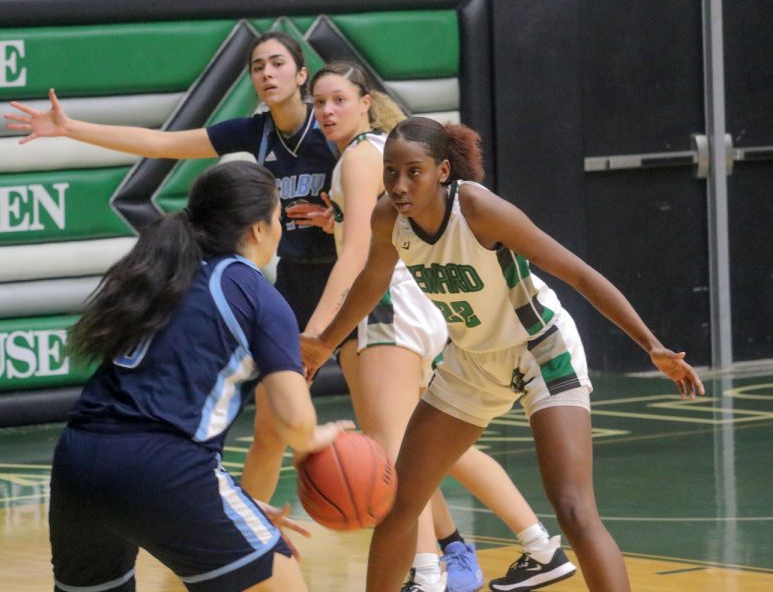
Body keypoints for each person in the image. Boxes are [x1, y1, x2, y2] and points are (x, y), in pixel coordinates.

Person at [301, 116, 705, 592]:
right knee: (400, 503)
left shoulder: (477, 208)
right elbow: (371, 283)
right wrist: (325, 343)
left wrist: (652, 346)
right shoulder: (388, 217)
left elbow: (578, 274)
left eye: (415, 171)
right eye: (391, 172)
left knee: (573, 508)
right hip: (473, 360)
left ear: (444, 171)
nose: (401, 184)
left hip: (541, 349)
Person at [5, 32, 339, 501]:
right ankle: (256, 533)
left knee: (391, 425)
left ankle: (439, 551)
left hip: (352, 281)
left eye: (278, 63)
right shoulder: (254, 132)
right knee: (270, 429)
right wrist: (71, 128)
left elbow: (383, 185)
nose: (267, 73)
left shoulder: (335, 129)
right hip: (296, 282)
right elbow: (160, 143)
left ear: (301, 74)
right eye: (258, 66)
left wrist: (341, 217)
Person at [299, 64, 573, 592]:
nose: (327, 110)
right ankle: (538, 546)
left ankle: (425, 573)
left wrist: (318, 334)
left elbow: (360, 253)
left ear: (365, 102)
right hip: (427, 310)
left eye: (337, 99)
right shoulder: (375, 157)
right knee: (433, 448)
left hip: (390, 311)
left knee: (394, 453)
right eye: (319, 103)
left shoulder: (362, 157)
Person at [51, 161, 352, 592]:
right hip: (165, 469)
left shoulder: (160, 277)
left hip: (78, 462)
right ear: (257, 230)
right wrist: (316, 439)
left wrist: (223, 510)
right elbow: (295, 420)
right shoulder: (256, 294)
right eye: (277, 218)